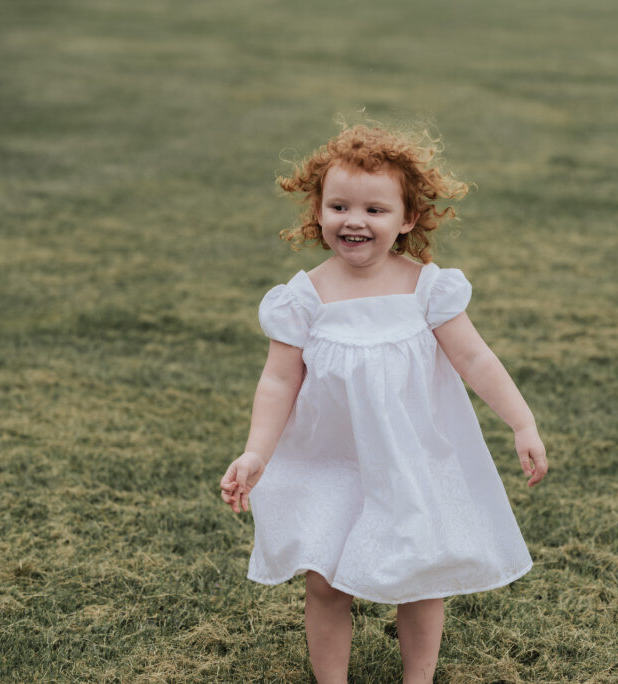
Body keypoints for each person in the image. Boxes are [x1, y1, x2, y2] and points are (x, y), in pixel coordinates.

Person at [220, 124, 548, 684]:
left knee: (420, 578)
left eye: (375, 209)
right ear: (317, 212)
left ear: (408, 218)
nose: (355, 220)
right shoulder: (302, 300)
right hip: (330, 460)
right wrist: (256, 454)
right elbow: (278, 382)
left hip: (410, 459)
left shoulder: (427, 291)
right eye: (339, 205)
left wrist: (522, 423)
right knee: (326, 580)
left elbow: (476, 361)